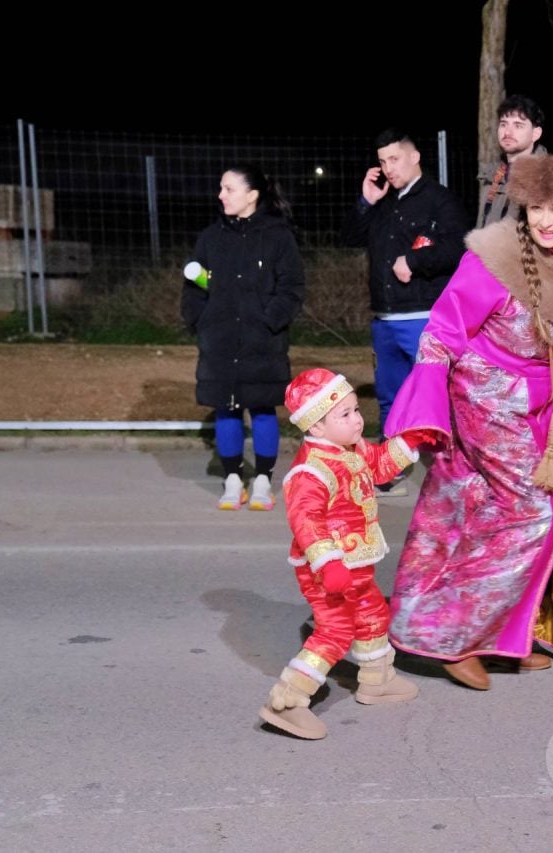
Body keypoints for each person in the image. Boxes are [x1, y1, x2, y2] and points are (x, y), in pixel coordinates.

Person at [382, 154, 553, 691]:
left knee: (488, 512)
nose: (547, 220)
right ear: (523, 209)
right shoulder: (491, 259)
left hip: (545, 401)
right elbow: (442, 332)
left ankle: (505, 637)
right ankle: (453, 635)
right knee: (534, 513)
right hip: (488, 397)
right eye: (537, 208)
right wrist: (427, 406)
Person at [258, 367, 441, 740]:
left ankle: (377, 679)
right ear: (316, 426)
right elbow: (306, 521)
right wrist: (328, 563)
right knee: (335, 631)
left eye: (356, 410)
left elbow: (380, 466)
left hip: (357, 564)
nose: (357, 420)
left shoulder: (352, 450)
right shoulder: (310, 471)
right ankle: (288, 701)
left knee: (373, 614)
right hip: (328, 569)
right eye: (345, 414)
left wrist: (409, 441)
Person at [341, 128, 467, 495]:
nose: (388, 168)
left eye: (394, 159)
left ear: (415, 157)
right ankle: (390, 467)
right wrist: (366, 202)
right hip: (384, 319)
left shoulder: (440, 201)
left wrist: (414, 260)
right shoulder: (383, 201)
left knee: (435, 396)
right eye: (382, 161)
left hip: (424, 317)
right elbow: (349, 238)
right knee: (390, 397)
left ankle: (452, 470)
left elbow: (459, 248)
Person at [181, 164, 304, 511]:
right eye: (221, 188)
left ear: (252, 195)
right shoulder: (211, 238)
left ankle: (263, 480)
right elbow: (194, 285)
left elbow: (292, 286)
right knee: (226, 409)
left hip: (262, 341)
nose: (220, 195)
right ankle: (233, 479)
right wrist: (200, 319)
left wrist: (270, 320)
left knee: (263, 408)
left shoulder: (278, 236)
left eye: (229, 189)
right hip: (219, 341)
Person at [476, 93, 547, 228]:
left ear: (536, 134)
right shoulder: (492, 174)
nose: (507, 132)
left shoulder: (546, 176)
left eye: (518, 126)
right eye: (503, 124)